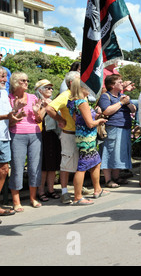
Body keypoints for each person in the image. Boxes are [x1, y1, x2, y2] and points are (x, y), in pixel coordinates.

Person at [67, 78, 109, 205]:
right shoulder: (82, 102)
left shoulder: (72, 101)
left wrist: (94, 116)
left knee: (96, 162)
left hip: (82, 135)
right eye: (86, 87)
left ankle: (98, 189)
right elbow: (90, 124)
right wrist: (100, 121)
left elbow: (78, 119)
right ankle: (78, 197)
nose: (89, 89)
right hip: (87, 138)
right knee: (83, 167)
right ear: (80, 88)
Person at [8, 72, 45, 211]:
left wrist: (36, 112)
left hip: (35, 134)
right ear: (15, 82)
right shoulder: (9, 98)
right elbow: (9, 122)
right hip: (17, 135)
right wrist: (16, 111)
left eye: (27, 80)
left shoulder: (33, 97)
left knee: (35, 167)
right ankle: (16, 201)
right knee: (17, 168)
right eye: (23, 80)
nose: (26, 82)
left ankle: (33, 198)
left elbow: (39, 120)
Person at [46, 71, 80, 204]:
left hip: (80, 134)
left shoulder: (79, 94)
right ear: (71, 82)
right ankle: (65, 192)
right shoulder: (65, 95)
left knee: (79, 163)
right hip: (69, 134)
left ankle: (78, 187)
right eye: (79, 79)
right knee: (66, 164)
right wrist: (61, 119)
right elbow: (50, 108)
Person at [98, 74, 136, 188]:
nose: (122, 83)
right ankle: (108, 179)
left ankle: (116, 177)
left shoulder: (123, 96)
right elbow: (107, 111)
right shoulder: (106, 96)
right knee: (109, 152)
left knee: (119, 153)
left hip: (124, 127)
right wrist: (120, 103)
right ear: (112, 85)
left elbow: (134, 109)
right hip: (113, 127)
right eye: (119, 82)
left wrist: (127, 103)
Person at [35, 80, 61, 202]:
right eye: (47, 88)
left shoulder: (53, 101)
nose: (51, 90)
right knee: (44, 165)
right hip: (41, 134)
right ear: (40, 90)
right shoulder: (36, 102)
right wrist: (46, 107)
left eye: (51, 88)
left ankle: (50, 189)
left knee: (52, 164)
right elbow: (38, 118)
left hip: (53, 134)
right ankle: (40, 191)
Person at [0, 68, 19, 219]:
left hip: (4, 136)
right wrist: (7, 115)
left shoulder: (4, 93)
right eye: (2, 76)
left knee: (4, 170)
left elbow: (8, 117)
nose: (5, 80)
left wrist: (16, 114)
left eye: (5, 76)